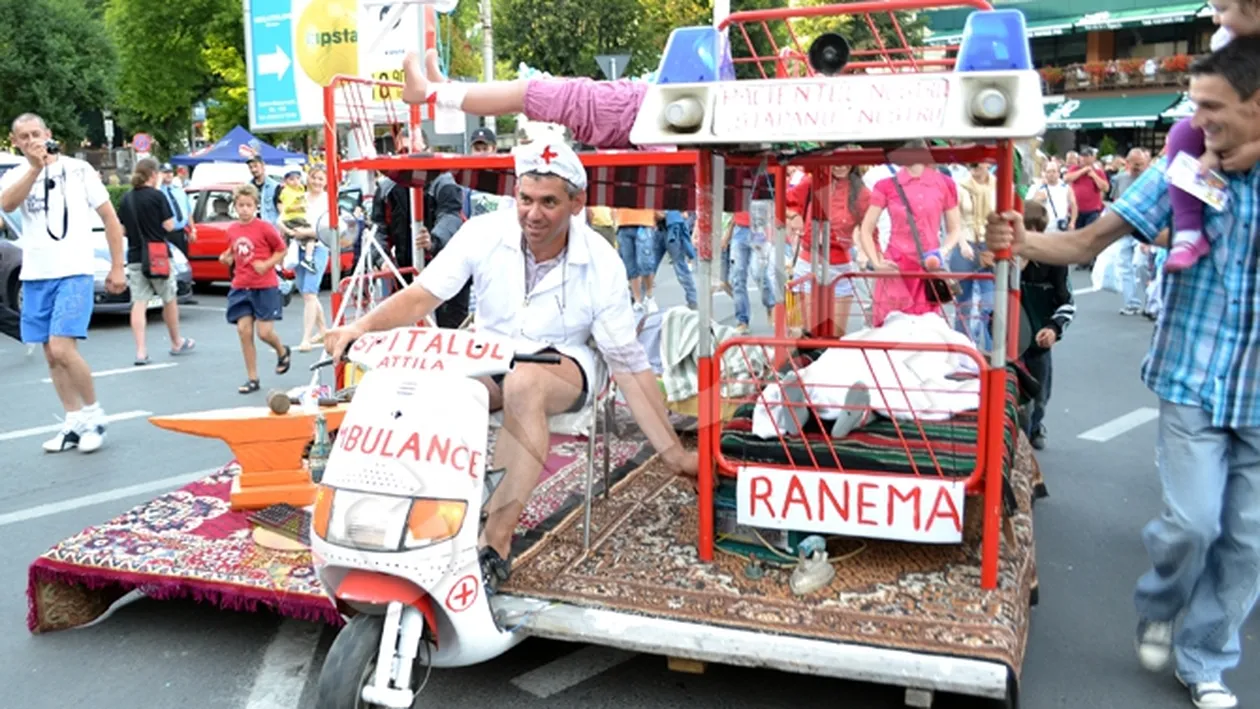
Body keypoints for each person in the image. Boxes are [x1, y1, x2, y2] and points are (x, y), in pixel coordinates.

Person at [982, 38, 1260, 709]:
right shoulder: (1182, 172)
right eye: (1195, 105)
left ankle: (1204, 658)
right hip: (1193, 381)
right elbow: (1085, 242)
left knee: (1246, 543)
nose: (1199, 120)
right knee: (1192, 525)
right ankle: (1160, 602)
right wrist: (1020, 241)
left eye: (1212, 107)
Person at [323, 140, 699, 591]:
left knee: (524, 384)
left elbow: (628, 364)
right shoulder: (483, 232)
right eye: (525, 199)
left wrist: (673, 453)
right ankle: (404, 516)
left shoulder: (602, 261)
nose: (533, 214)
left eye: (548, 203)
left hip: (567, 362)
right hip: (491, 352)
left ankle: (494, 546)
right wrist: (360, 328)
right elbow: (424, 294)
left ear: (577, 204)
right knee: (427, 392)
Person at [0, 113, 126, 453]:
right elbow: (7, 204)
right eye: (23, 137)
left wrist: (118, 267)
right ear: (15, 142)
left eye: (35, 134)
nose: (30, 141)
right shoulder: (16, 175)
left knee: (62, 347)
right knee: (50, 354)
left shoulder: (78, 170)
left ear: (49, 134)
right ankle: (72, 420)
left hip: (74, 270)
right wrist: (35, 168)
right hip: (36, 273)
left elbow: (110, 219)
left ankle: (94, 414)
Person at [1163, 0, 1260, 272]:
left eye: (1222, 9)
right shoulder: (1225, 40)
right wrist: (1211, 149)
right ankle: (1189, 230)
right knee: (1182, 132)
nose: (1216, 19)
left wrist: (1255, 149)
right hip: (1239, 120)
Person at [857, 148, 963, 327]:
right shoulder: (886, 185)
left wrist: (941, 252)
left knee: (926, 332)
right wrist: (876, 262)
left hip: (928, 268)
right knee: (890, 330)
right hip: (895, 268)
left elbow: (955, 229)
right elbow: (866, 229)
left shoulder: (945, 184)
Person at [117, 158, 195, 365]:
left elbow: (122, 229)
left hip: (135, 255)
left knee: (139, 302)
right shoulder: (157, 196)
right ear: (153, 174)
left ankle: (141, 351)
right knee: (169, 298)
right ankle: (176, 341)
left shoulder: (126, 199)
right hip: (158, 254)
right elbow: (169, 225)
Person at [1009, 201, 1073, 451]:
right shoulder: (1006, 260)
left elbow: (1067, 303)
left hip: (1038, 340)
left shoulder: (1055, 261)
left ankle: (1036, 427)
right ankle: (1015, 435)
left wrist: (1054, 329)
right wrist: (1016, 266)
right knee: (1010, 392)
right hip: (1009, 339)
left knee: (1040, 395)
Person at [219, 184, 292, 393]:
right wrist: (226, 258)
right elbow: (233, 251)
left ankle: (282, 350)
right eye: (240, 205)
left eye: (248, 205)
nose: (244, 209)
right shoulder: (232, 229)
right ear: (235, 206)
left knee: (264, 332)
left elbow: (281, 250)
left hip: (264, 285)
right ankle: (252, 378)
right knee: (243, 330)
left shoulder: (265, 227)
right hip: (241, 285)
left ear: (256, 206)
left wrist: (267, 264)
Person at [279, 165, 333, 351]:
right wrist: (290, 231)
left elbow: (328, 229)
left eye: (321, 178)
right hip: (298, 247)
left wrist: (305, 232)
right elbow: (284, 217)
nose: (317, 182)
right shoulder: (300, 197)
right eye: (314, 178)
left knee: (310, 293)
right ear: (308, 178)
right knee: (306, 292)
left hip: (318, 247)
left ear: (326, 181)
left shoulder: (328, 201)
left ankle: (306, 338)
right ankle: (324, 330)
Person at [1110, 148, 1152, 316]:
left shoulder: (1149, 180)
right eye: (1135, 165)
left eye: (1141, 164)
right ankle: (1131, 303)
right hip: (1123, 228)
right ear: (1127, 164)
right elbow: (1115, 201)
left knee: (1140, 264)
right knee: (1124, 266)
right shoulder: (1120, 179)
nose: (1138, 168)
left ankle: (1151, 302)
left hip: (1143, 229)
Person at [1028, 161, 1077, 234]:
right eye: (1048, 172)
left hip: (1061, 227)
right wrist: (1036, 199)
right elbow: (1028, 205)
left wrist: (1072, 222)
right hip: (1044, 228)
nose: (1051, 174)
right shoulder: (1037, 187)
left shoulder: (1066, 188)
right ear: (1045, 173)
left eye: (1054, 171)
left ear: (1058, 173)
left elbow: (1074, 205)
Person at [158, 163, 195, 258]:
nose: (168, 175)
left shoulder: (179, 191)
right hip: (165, 233)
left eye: (170, 172)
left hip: (180, 233)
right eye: (165, 172)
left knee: (183, 261)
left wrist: (193, 229)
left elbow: (188, 212)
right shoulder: (158, 192)